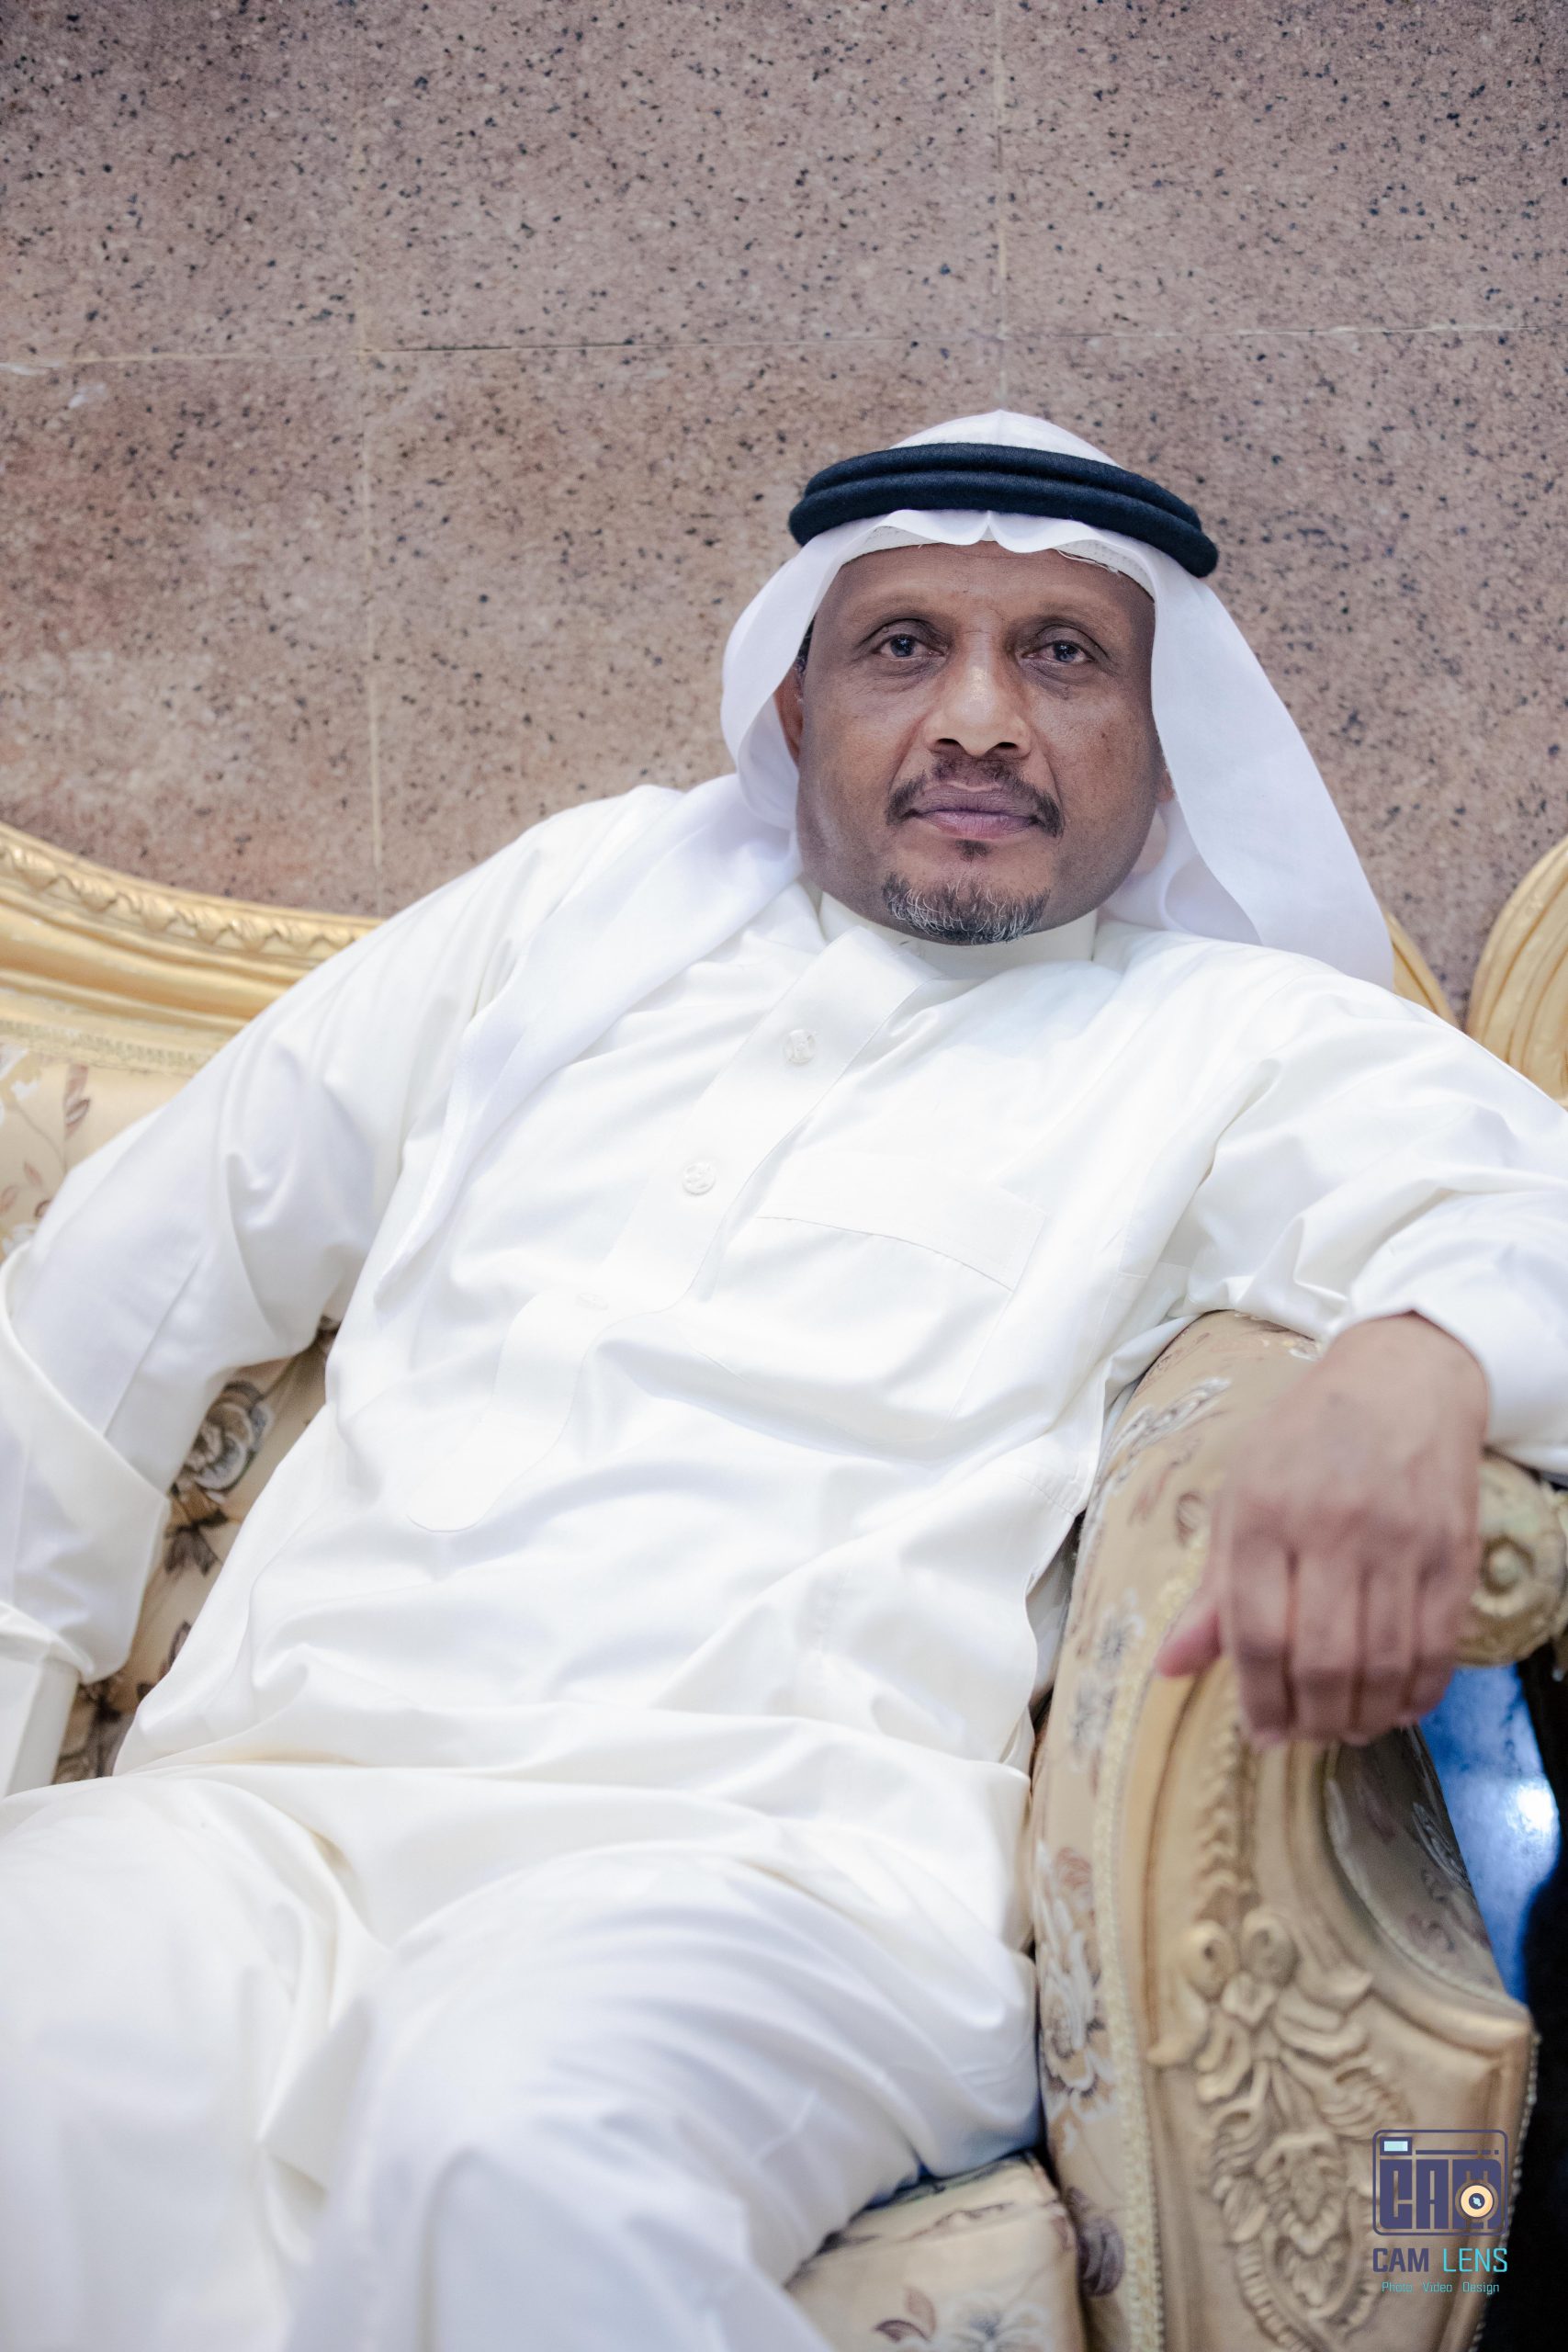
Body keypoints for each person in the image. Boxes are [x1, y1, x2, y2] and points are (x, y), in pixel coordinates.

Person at [0, 408, 1564, 2352]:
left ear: (1163, 736)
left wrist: (1417, 1359)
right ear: (796, 703)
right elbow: (114, 1297)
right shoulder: (568, 909)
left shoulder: (1222, 1035)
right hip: (262, 1819)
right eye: (905, 645)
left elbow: (1522, 1204)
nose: (980, 718)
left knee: (511, 2142)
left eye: (1061, 656)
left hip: (754, 1873)